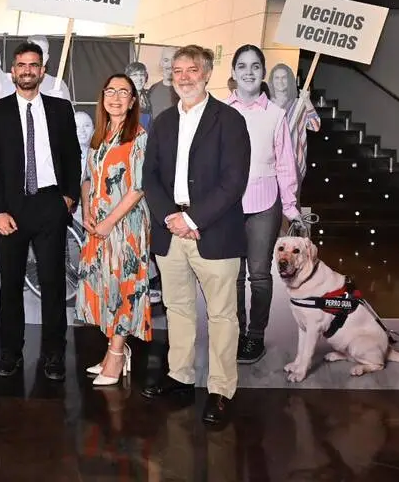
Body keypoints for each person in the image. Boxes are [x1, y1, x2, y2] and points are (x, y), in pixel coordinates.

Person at [140, 45, 249, 426]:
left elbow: (234, 181)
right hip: (170, 232)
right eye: (178, 71)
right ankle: (180, 376)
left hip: (213, 232)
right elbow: (149, 176)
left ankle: (221, 390)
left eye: (192, 70)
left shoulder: (229, 120)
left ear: (206, 74)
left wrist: (192, 218)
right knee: (178, 307)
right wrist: (171, 217)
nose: (184, 77)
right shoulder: (164, 121)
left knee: (222, 315)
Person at [0, 41, 82, 381]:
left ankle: (54, 355)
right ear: (13, 71)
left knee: (53, 284)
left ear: (42, 70)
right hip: (11, 209)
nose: (27, 70)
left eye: (33, 65)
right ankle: (10, 354)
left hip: (50, 205)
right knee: (11, 285)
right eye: (22, 65)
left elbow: (73, 155)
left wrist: (68, 197)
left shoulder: (60, 109)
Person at [78, 74, 152, 386]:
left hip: (125, 226)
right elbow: (86, 179)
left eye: (124, 92)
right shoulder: (101, 135)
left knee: (123, 285)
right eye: (111, 91)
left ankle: (117, 354)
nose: (116, 98)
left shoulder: (138, 136)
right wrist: (86, 212)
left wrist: (109, 222)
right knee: (105, 285)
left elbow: (138, 188)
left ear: (133, 101)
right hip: (97, 225)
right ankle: (114, 350)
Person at [227, 46, 300, 364]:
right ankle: (236, 334)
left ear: (263, 72)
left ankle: (255, 336)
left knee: (258, 274)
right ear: (233, 72)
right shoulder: (219, 111)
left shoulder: (275, 114)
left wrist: (291, 207)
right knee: (232, 275)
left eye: (255, 66)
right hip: (227, 206)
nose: (248, 72)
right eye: (242, 66)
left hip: (264, 203)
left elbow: (285, 163)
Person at [268, 63, 321, 188]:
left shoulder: (299, 104)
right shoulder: (266, 105)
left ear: (289, 80)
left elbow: (315, 126)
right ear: (272, 81)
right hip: (270, 164)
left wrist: (307, 100)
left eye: (284, 77)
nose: (280, 81)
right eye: (277, 78)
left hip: (294, 163)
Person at [27, 35, 71, 101]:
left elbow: (69, 108)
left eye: (42, 51)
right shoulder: (12, 83)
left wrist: (62, 103)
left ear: (46, 58)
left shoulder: (59, 84)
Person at [147, 46, 179, 119]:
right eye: (166, 60)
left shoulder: (186, 91)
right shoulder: (153, 89)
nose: (170, 65)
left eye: (173, 60)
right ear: (161, 63)